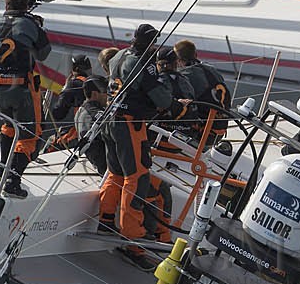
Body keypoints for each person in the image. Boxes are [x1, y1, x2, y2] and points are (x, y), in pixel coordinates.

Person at [100, 30, 191, 265]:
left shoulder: (117, 56)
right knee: (138, 177)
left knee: (116, 172)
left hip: (109, 120)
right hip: (129, 124)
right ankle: (133, 241)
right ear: (150, 43)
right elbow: (159, 97)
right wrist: (177, 107)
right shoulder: (142, 63)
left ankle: (106, 219)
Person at [0, 0, 52, 198]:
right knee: (30, 135)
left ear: (6, 6)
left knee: (9, 126)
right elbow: (43, 54)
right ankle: (12, 181)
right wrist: (37, 29)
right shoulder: (30, 25)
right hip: (22, 89)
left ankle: (2, 169)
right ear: (26, 6)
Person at [175, 39, 231, 134]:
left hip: (204, 131)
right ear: (196, 54)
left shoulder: (185, 76)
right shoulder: (212, 70)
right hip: (221, 127)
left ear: (178, 60)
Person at [46, 54, 94, 151]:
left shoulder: (73, 84)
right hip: (95, 131)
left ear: (74, 69)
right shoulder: (95, 82)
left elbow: (58, 114)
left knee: (51, 143)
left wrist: (64, 90)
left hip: (81, 133)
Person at [71, 79, 110, 176]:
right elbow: (115, 132)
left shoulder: (82, 109)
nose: (108, 97)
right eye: (106, 93)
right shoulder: (94, 113)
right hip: (107, 166)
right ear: (95, 94)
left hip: (98, 160)